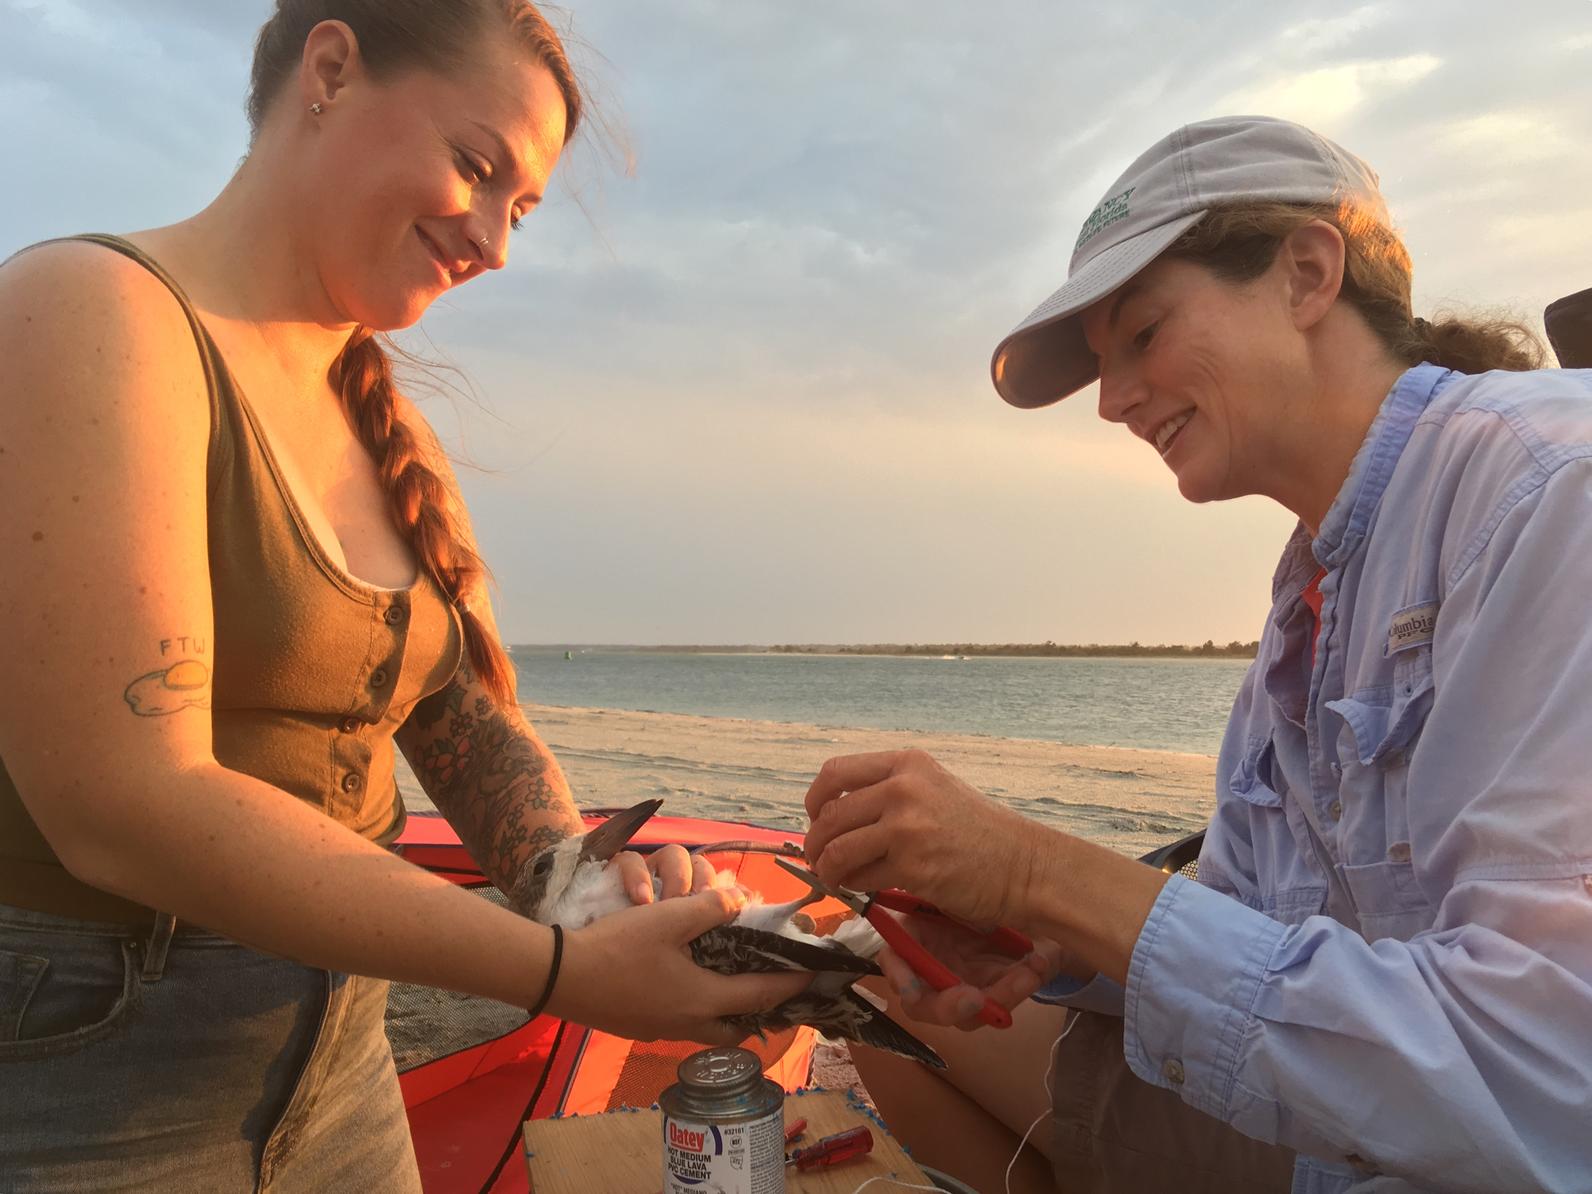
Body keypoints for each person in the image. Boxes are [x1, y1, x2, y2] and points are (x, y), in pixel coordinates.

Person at [0, 3, 804, 1188]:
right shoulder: (90, 311)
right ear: (328, 70)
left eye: (520, 209)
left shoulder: (390, 433)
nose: (494, 242)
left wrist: (586, 892)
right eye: (477, 169)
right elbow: (122, 798)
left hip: (343, 1062)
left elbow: (460, 715)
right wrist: (554, 975)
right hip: (96, 1058)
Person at [802, 115, 1592, 1194]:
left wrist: (1044, 872)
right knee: (891, 1010)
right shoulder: (1313, 587)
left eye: (1141, 335)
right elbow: (1249, 922)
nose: (1112, 400)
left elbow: (1547, 1074)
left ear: (1306, 273)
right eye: (1100, 363)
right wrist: (1043, 934)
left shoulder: (1545, 488)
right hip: (1349, 1137)